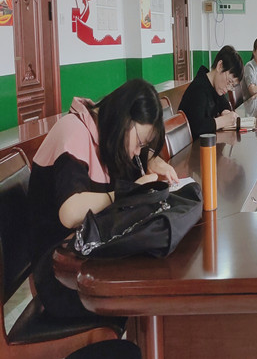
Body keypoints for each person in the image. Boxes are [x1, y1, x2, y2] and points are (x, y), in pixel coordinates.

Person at [28, 79, 178, 318]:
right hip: (61, 274)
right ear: (124, 119)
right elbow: (70, 212)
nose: (136, 152)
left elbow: (136, 164)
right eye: (139, 143)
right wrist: (124, 193)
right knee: (153, 294)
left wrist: (152, 159)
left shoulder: (107, 135)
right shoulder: (74, 131)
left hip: (88, 258)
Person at [179, 45, 243, 139]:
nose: (228, 88)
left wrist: (225, 112)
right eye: (229, 82)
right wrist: (223, 121)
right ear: (220, 66)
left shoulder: (214, 86)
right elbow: (197, 127)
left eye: (232, 85)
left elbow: (224, 104)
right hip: (193, 146)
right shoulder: (198, 89)